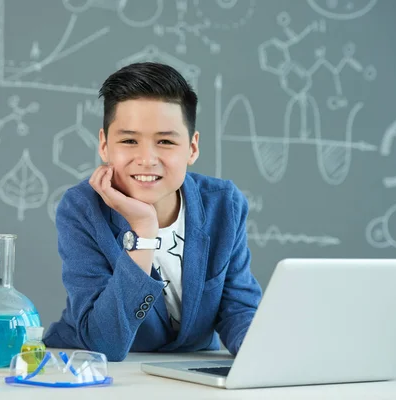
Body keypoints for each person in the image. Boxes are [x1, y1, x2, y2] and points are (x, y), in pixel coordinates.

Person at [43, 62, 263, 361]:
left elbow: (237, 308)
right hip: (98, 370)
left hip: (187, 371)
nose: (147, 159)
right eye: (129, 141)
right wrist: (144, 232)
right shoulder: (82, 208)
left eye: (166, 141)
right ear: (105, 146)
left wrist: (262, 351)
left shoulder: (224, 204)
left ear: (192, 148)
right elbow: (104, 341)